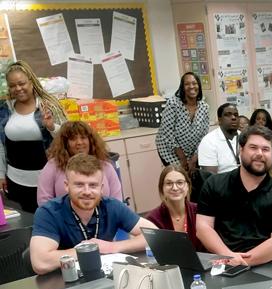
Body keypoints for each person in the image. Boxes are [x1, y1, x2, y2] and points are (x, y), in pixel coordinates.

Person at [30, 154, 156, 275]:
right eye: (79, 185)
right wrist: (90, 250)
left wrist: (111, 247)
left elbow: (155, 236)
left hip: (104, 279)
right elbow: (40, 262)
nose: (87, 191)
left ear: (101, 188)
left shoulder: (112, 206)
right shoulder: (49, 212)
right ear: (67, 186)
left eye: (93, 185)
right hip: (64, 282)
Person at [196, 125, 272, 268]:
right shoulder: (215, 184)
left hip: (265, 266)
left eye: (266, 149)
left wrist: (242, 262)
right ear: (240, 150)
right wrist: (228, 256)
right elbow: (203, 227)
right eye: (253, 147)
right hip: (220, 260)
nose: (260, 153)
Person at [0, 60, 66, 213]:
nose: (18, 88)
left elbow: (67, 137)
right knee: (25, 228)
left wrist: (51, 127)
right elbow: (1, 146)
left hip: (49, 181)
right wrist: (1, 174)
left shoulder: (48, 105)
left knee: (51, 225)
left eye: (21, 83)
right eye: (12, 85)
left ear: (31, 81)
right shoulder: (5, 110)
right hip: (15, 182)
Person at [37, 121, 122, 206]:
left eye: (83, 137)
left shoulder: (105, 166)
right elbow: (44, 200)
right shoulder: (53, 166)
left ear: (90, 140)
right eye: (73, 139)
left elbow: (117, 202)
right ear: (65, 143)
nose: (79, 142)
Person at [155, 72, 210, 170]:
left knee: (193, 176)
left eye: (194, 83)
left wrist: (194, 158)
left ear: (199, 86)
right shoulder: (173, 104)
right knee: (179, 175)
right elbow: (167, 132)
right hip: (170, 149)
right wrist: (182, 158)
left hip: (192, 151)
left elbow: (204, 136)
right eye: (187, 84)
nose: (191, 86)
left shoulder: (204, 107)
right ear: (182, 87)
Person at [147, 165, 200, 250]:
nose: (175, 188)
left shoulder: (200, 212)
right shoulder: (153, 219)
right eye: (169, 183)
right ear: (162, 189)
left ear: (187, 186)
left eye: (180, 182)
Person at [198, 103, 241, 174]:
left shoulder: (245, 137)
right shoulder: (209, 141)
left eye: (236, 115)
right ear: (220, 120)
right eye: (228, 114)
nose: (233, 117)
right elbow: (210, 178)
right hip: (222, 183)